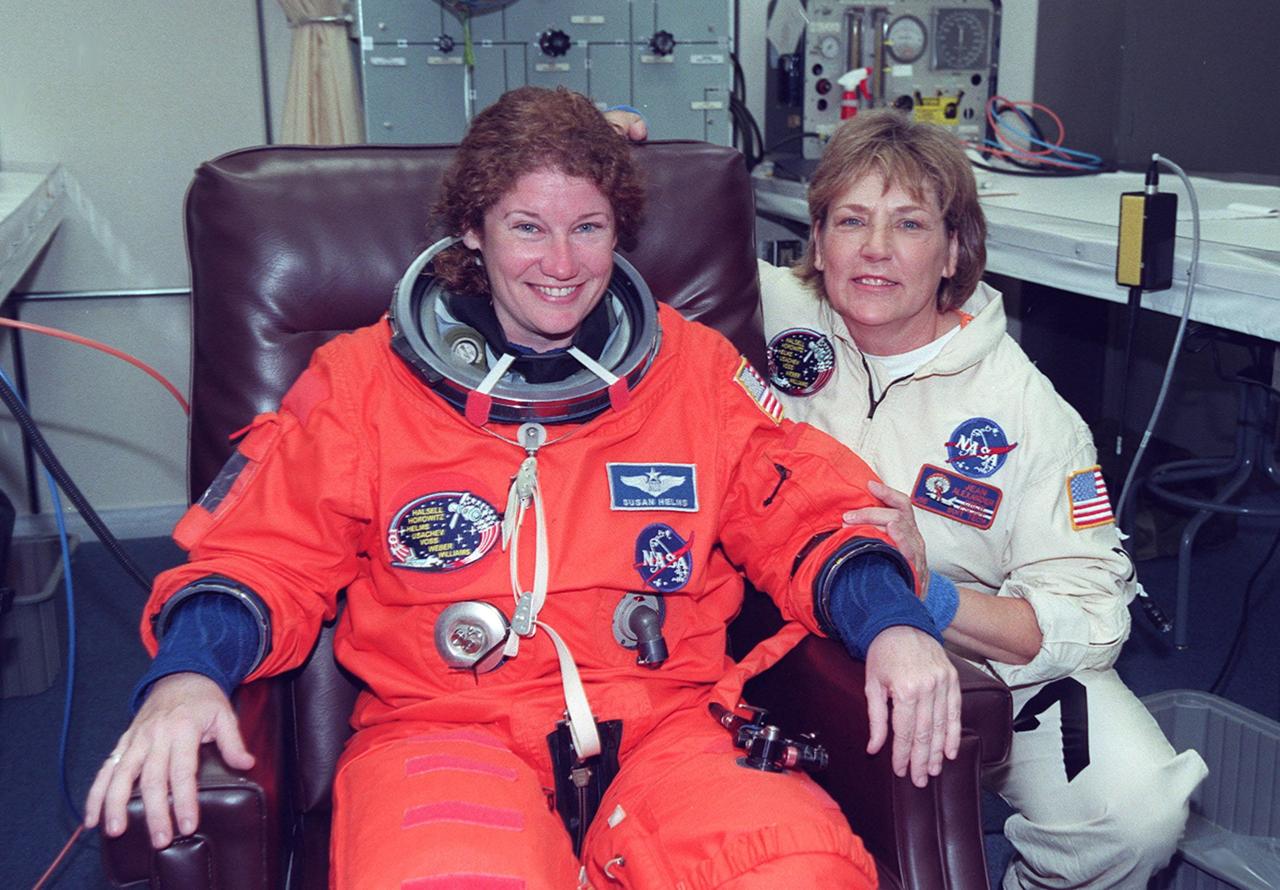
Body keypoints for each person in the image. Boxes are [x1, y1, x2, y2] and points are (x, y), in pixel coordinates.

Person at [84, 86, 964, 889]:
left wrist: (892, 620)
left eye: (588, 227)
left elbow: (800, 505)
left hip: (666, 726)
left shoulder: (692, 370)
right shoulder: (360, 385)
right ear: (471, 228)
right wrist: (189, 676)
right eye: (526, 227)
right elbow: (262, 553)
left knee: (800, 873)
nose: (562, 262)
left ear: (620, 231)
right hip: (444, 727)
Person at [606, 106, 1208, 888]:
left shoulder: (1030, 413)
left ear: (954, 248)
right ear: (816, 242)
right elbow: (614, 249)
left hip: (976, 657)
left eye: (911, 224)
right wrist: (601, 144)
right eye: (851, 221)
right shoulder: (763, 315)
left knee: (1140, 811)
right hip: (791, 633)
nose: (876, 251)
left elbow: (1094, 615)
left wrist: (935, 599)